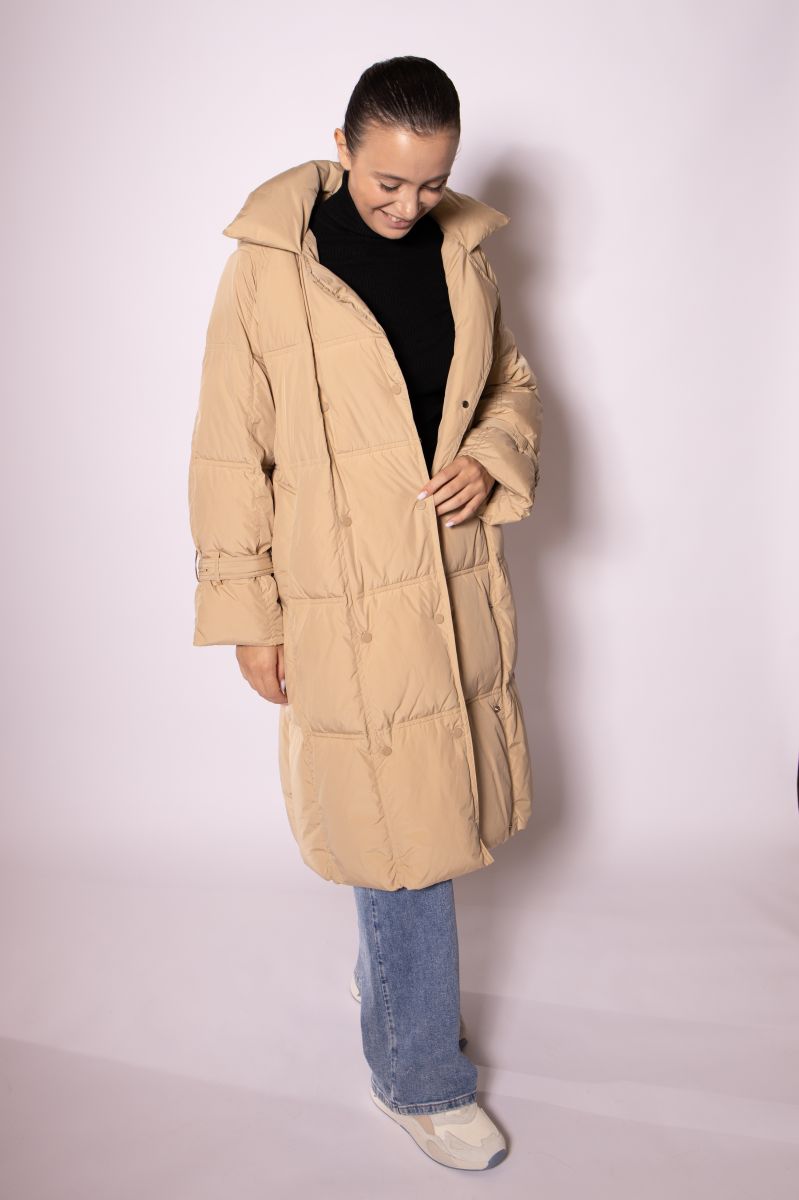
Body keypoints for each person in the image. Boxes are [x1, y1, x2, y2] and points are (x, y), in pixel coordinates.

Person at [188, 55, 543, 1171]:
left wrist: (489, 457)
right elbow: (227, 451)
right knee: (402, 842)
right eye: (388, 181)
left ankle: (394, 992)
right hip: (337, 594)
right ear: (341, 147)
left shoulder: (463, 255)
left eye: (431, 182)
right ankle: (419, 1076)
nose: (408, 204)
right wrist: (247, 611)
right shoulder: (268, 272)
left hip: (450, 579)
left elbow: (510, 385)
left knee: (416, 818)